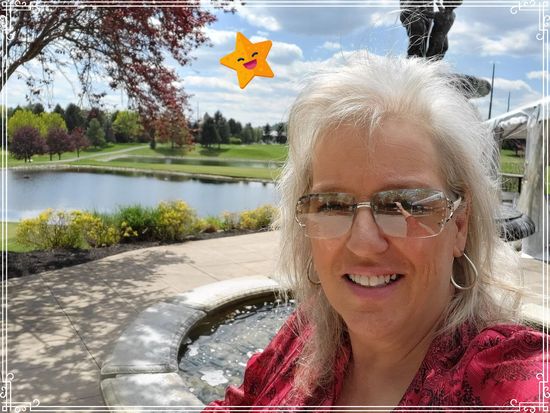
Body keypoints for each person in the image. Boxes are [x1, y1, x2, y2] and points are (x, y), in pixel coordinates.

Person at [205, 55, 545, 409]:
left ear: (459, 224)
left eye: (405, 205)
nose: (364, 243)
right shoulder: (305, 330)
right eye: (332, 205)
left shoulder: (513, 383)